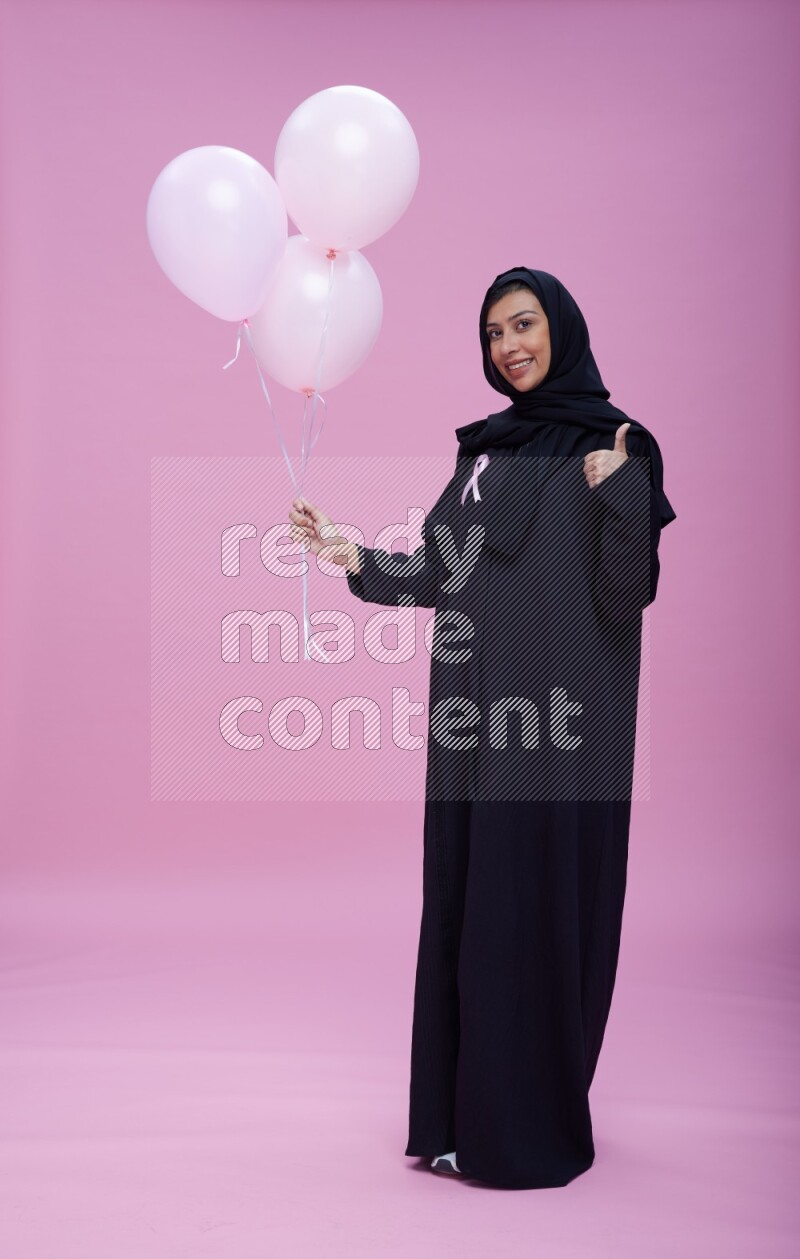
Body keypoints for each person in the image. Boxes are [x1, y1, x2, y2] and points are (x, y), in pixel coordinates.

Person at [287, 267, 676, 1190]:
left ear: (562, 328)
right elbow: (438, 570)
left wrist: (621, 492)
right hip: (472, 724)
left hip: (562, 737)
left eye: (523, 324)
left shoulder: (619, 442)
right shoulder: (484, 457)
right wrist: (352, 554)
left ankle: (526, 1128)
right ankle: (461, 1120)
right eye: (493, 333)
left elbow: (629, 596)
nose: (508, 346)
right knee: (469, 912)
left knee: (529, 919)